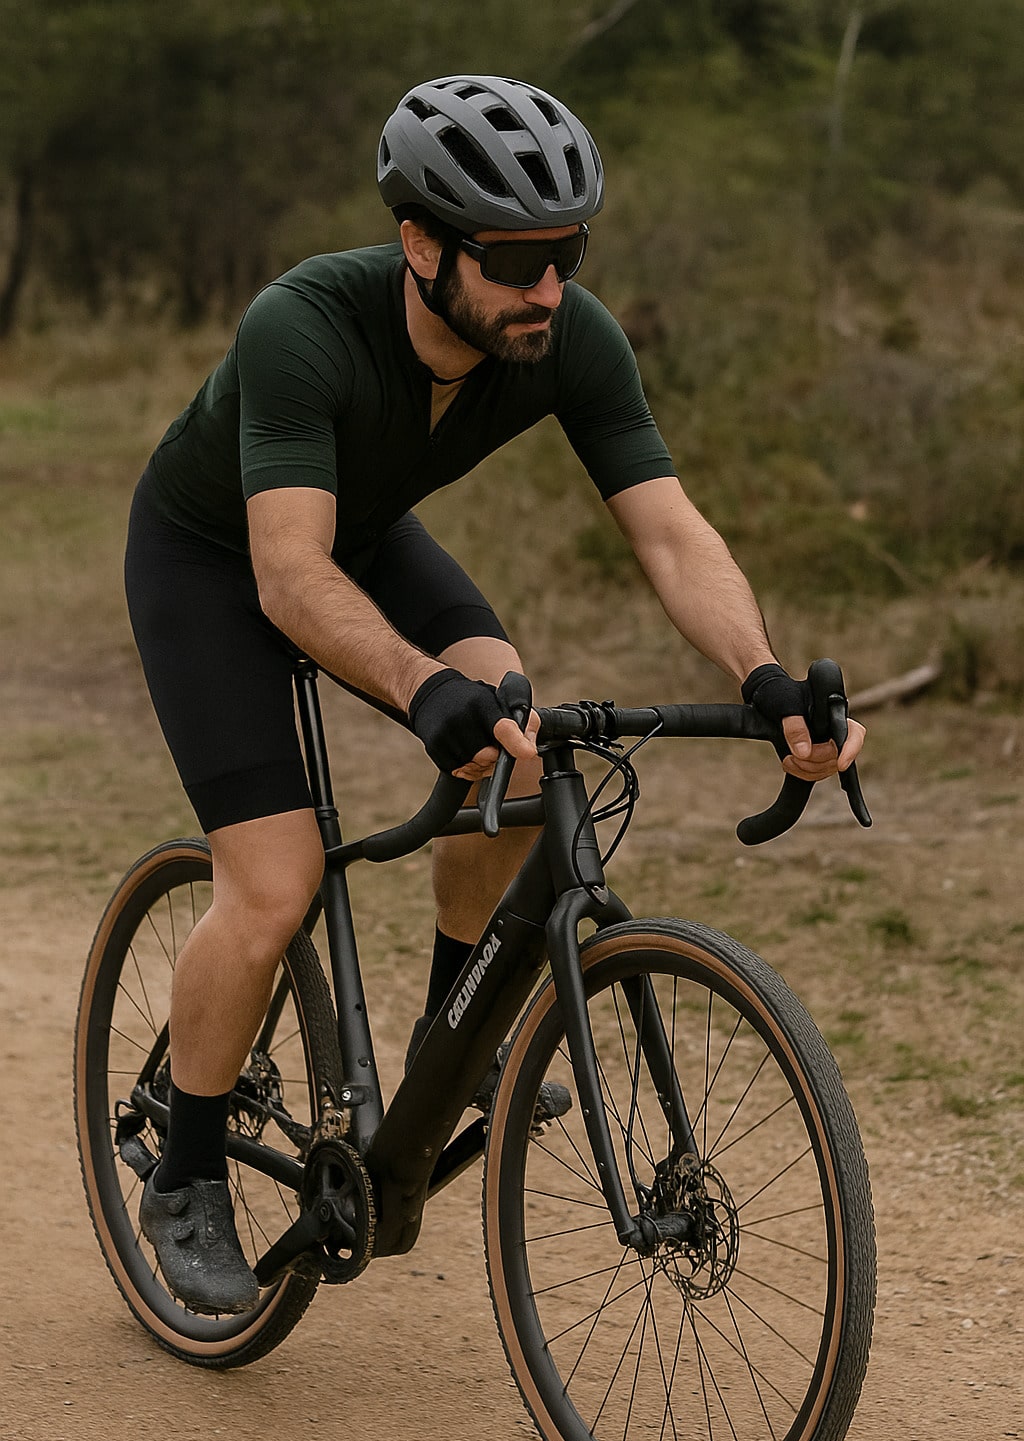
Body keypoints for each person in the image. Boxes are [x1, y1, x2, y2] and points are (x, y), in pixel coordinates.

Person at [124, 74, 865, 1316]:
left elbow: (671, 534)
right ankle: (187, 1172)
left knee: (515, 740)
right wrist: (417, 688)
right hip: (217, 559)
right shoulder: (300, 323)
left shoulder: (566, 336)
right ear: (421, 243)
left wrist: (765, 676)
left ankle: (446, 1047)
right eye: (518, 258)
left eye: (567, 253)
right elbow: (286, 572)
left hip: (359, 537)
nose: (548, 288)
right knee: (275, 880)